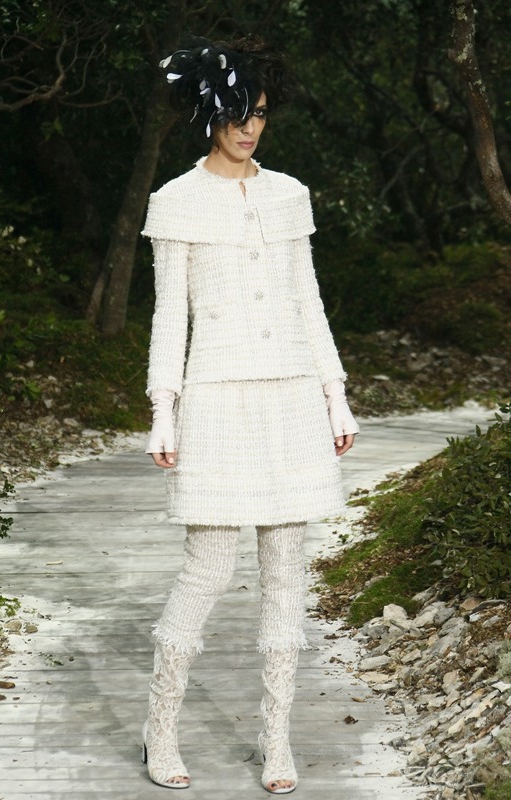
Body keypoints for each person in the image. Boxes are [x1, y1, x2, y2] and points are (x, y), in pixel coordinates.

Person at [140, 35, 359, 795]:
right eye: (236, 113)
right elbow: (169, 317)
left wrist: (335, 393)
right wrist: (163, 409)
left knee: (287, 572)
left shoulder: (289, 194)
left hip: (291, 397)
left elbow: (308, 301)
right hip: (217, 398)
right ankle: (160, 728)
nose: (249, 127)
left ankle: (276, 741)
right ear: (208, 115)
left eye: (259, 113)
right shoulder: (176, 200)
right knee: (208, 567)